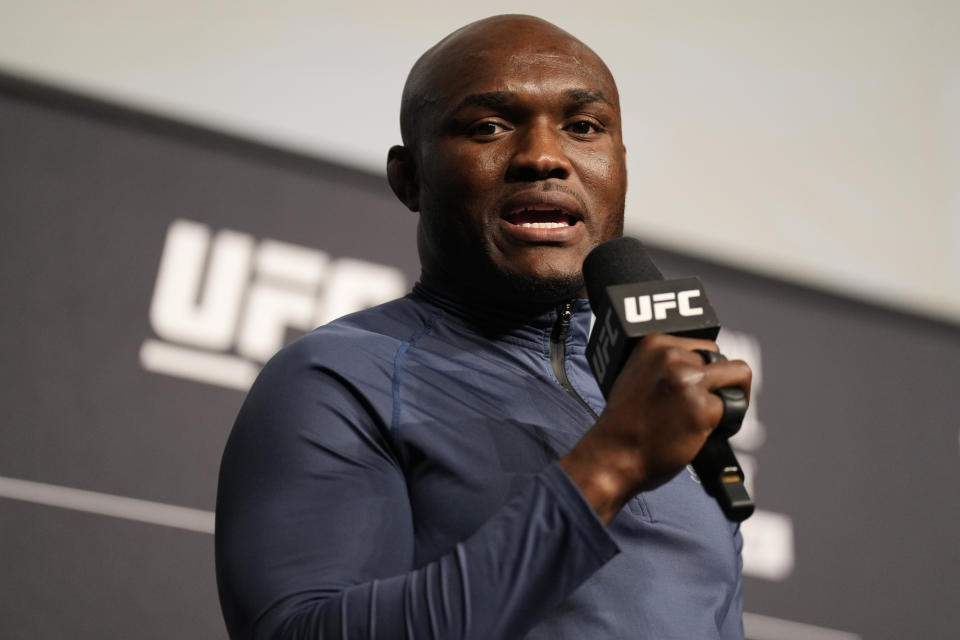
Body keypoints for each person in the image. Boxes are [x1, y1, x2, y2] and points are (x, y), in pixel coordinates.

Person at [215, 14, 752, 640]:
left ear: (621, 165)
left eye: (583, 127)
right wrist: (614, 464)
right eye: (489, 127)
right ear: (408, 177)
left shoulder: (650, 385)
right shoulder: (340, 377)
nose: (545, 157)